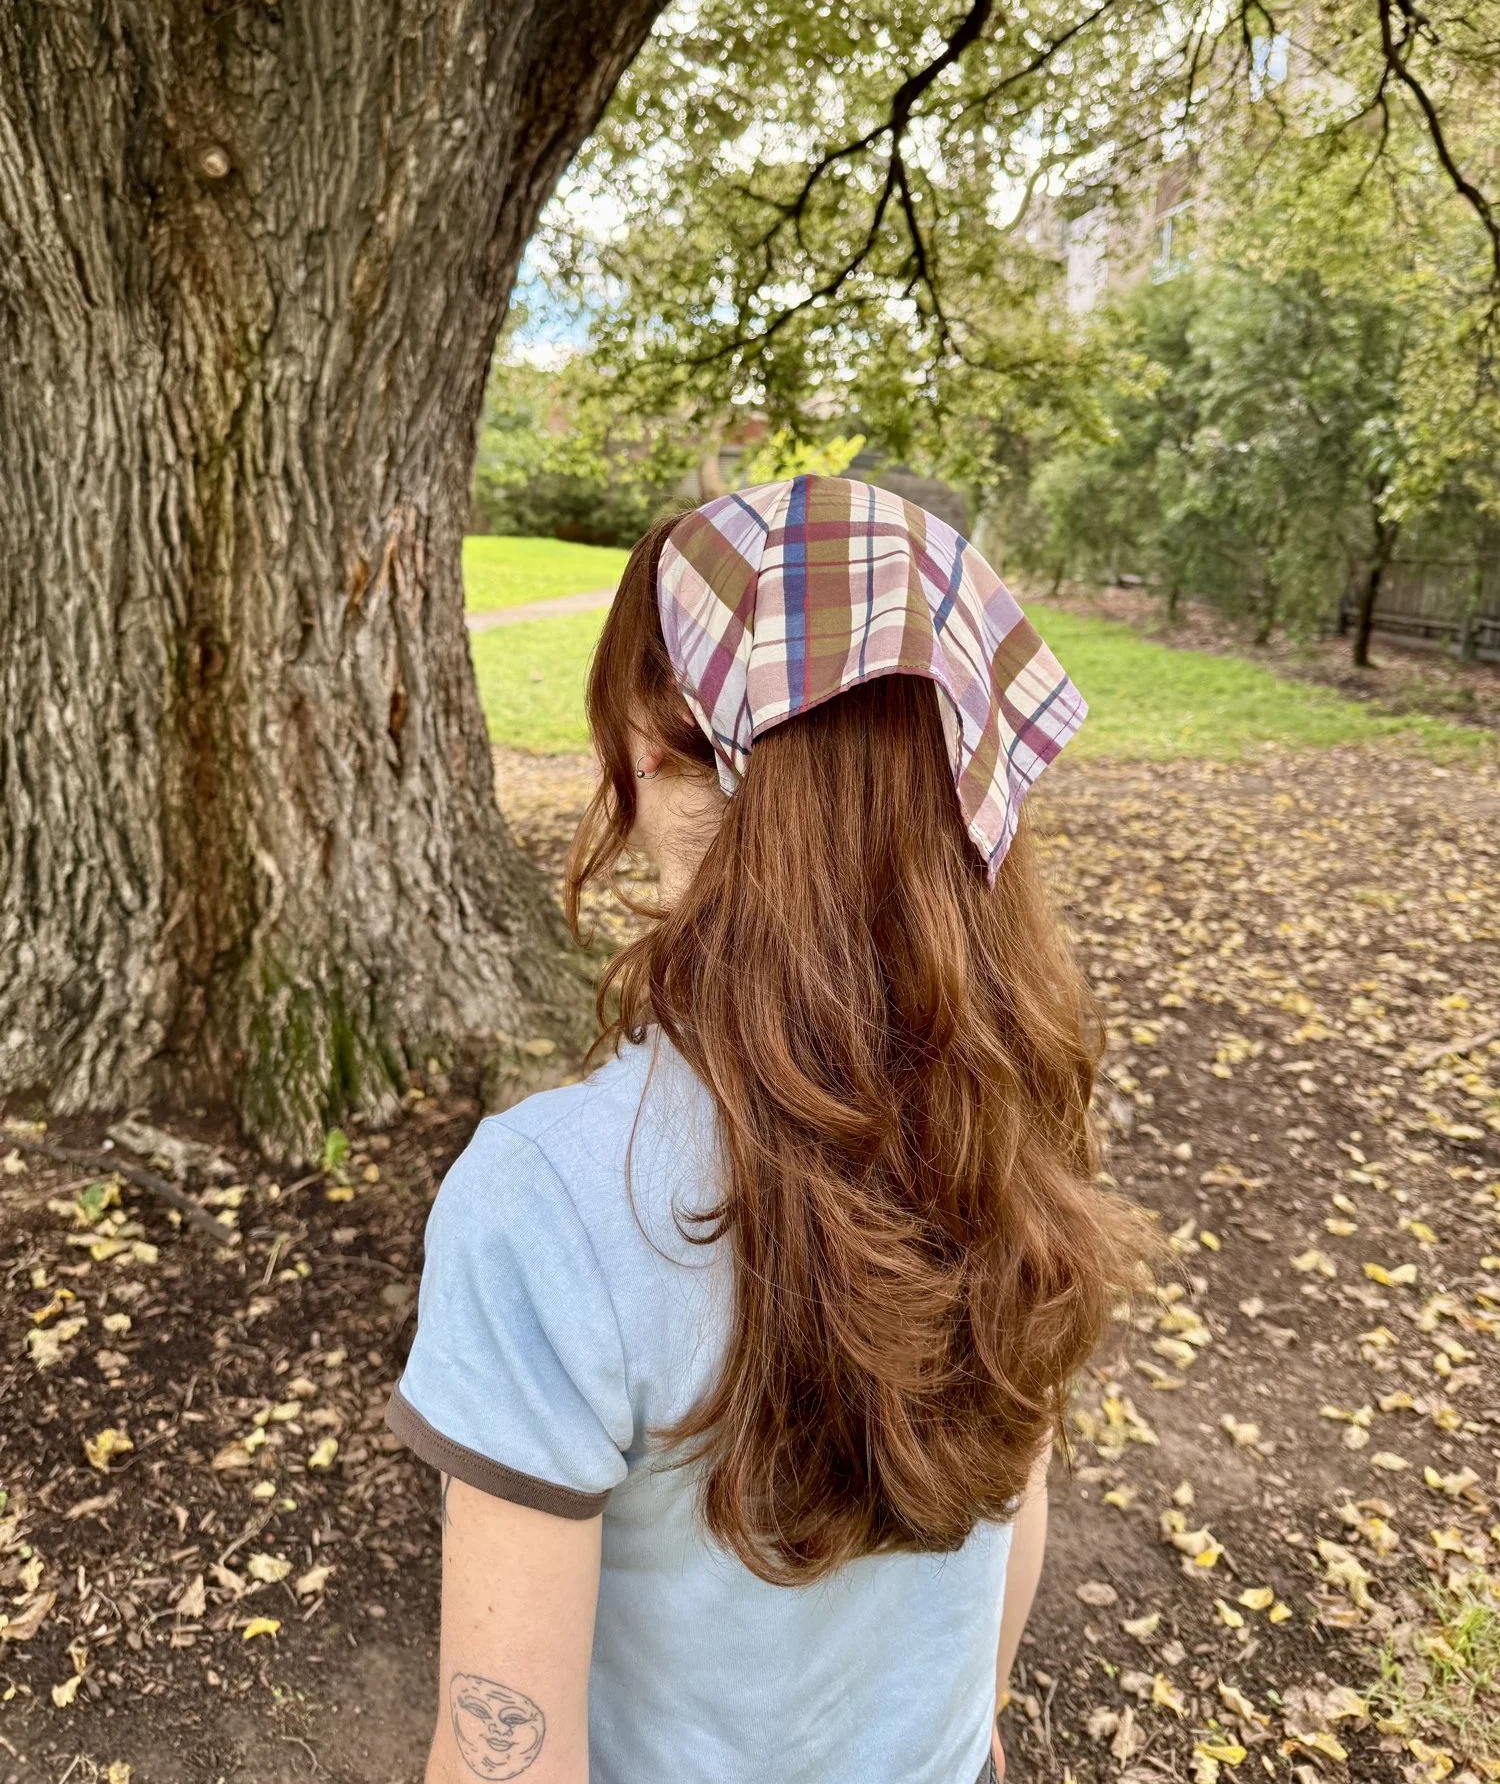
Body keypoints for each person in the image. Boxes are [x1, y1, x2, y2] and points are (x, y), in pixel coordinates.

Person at [387, 477, 1153, 1784]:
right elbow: (1012, 1522)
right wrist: (976, 1734)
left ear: (655, 748)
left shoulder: (550, 1199)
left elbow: (498, 1747)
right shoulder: (1008, 1111)